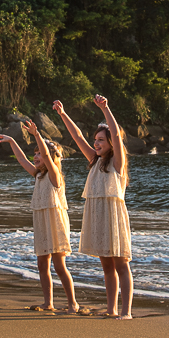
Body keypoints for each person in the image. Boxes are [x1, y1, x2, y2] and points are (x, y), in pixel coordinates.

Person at [52, 95, 133, 319]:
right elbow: (77, 137)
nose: (96, 143)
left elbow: (116, 134)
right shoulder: (94, 160)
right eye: (95, 140)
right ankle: (111, 309)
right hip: (98, 217)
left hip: (113, 217)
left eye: (101, 140)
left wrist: (105, 108)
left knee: (121, 265)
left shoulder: (117, 162)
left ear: (111, 143)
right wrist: (62, 114)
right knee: (107, 267)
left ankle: (126, 312)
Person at [0, 119, 80, 314]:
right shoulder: (38, 175)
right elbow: (21, 159)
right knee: (42, 264)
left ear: (51, 157)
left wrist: (37, 135)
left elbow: (48, 157)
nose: (36, 156)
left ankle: (72, 303)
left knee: (59, 265)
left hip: (55, 223)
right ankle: (48, 302)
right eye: (35, 153)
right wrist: (12, 141)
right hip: (41, 222)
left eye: (39, 153)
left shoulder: (54, 175)